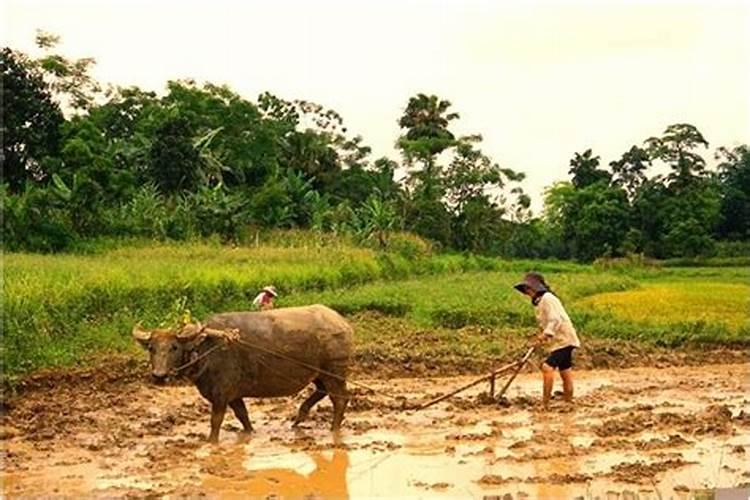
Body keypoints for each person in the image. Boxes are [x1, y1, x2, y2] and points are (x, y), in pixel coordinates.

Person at [513, 272, 580, 409]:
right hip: (559, 340)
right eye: (526, 290)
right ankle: (568, 402)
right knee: (565, 370)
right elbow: (547, 322)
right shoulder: (539, 302)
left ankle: (545, 404)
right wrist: (542, 334)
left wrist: (546, 334)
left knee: (547, 367)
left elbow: (555, 319)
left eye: (528, 289)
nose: (527, 292)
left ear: (536, 288)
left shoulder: (547, 298)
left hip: (564, 339)